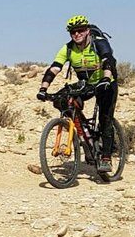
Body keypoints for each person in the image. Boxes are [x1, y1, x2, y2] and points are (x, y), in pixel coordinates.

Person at [38, 15, 118, 171]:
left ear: (87, 30)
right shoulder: (68, 48)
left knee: (105, 118)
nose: (77, 34)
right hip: (86, 84)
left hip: (106, 82)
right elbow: (54, 68)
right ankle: (84, 136)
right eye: (73, 32)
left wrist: (106, 78)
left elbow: (108, 60)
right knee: (63, 100)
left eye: (80, 30)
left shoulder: (98, 43)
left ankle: (106, 158)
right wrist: (43, 89)